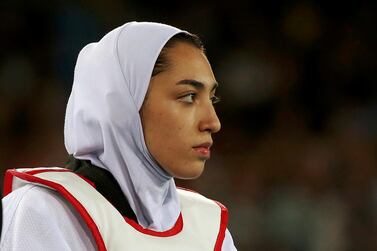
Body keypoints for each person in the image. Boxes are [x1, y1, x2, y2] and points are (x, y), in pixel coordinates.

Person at [0, 21, 237, 250]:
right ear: (122, 105)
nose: (213, 122)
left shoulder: (209, 228)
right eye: (187, 96)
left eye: (212, 98)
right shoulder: (42, 213)